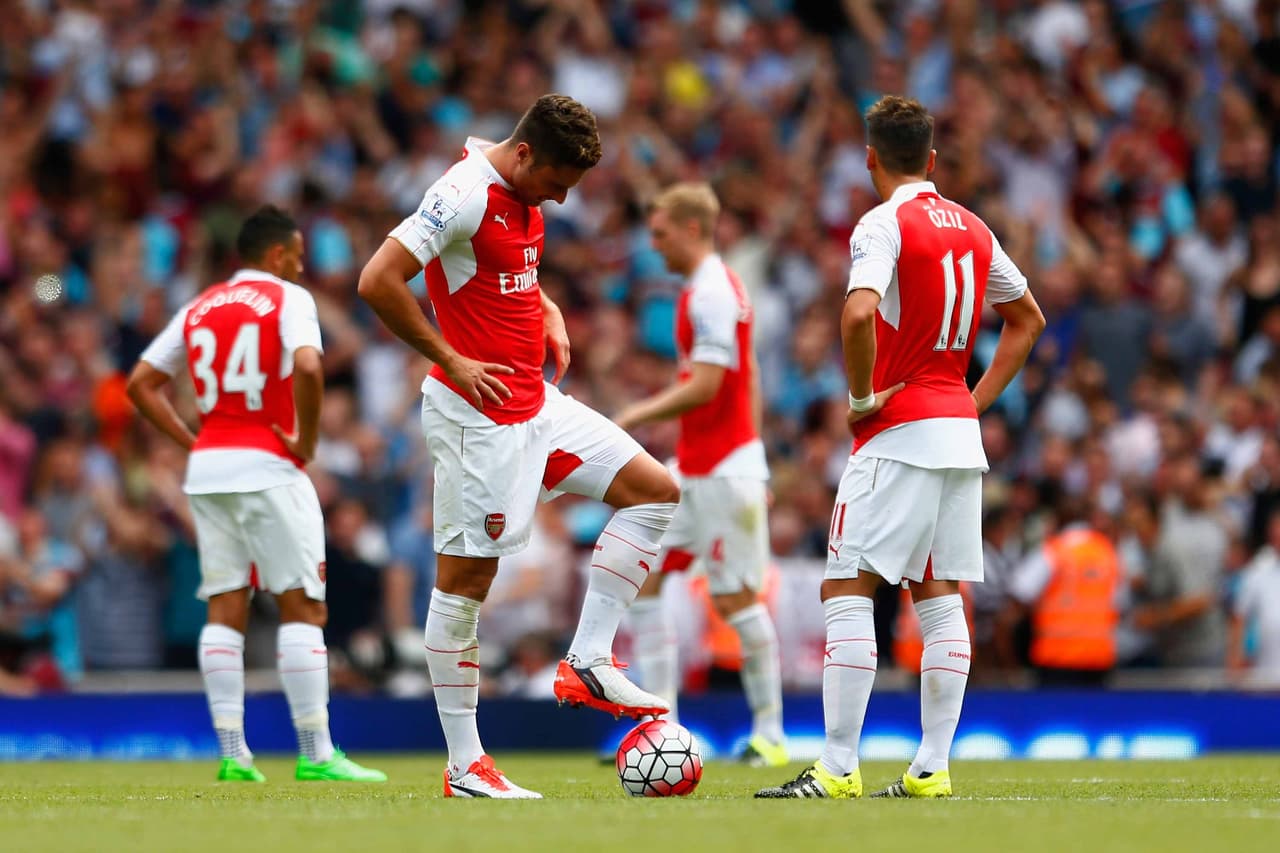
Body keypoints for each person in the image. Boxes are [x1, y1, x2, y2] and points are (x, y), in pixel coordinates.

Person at [357, 94, 680, 799]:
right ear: (527, 153)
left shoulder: (521, 193)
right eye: (558, 182)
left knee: (655, 490)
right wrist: (452, 357)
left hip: (537, 404)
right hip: (478, 416)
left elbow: (510, 273)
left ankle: (589, 657)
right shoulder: (461, 193)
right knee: (465, 584)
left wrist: (549, 309)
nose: (562, 199)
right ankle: (465, 764)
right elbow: (376, 280)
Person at [757, 96, 1044, 800]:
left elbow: (858, 311)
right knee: (938, 593)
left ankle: (837, 765)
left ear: (870, 159)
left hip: (898, 429)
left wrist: (859, 398)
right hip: (957, 429)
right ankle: (932, 767)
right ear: (935, 160)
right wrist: (972, 402)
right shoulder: (975, 228)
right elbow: (1027, 319)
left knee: (847, 587)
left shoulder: (882, 223)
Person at [127, 206, 386, 784]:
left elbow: (141, 383)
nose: (300, 266)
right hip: (269, 464)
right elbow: (311, 369)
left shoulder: (199, 306)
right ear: (276, 254)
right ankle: (317, 753)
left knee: (225, 607)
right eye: (296, 256)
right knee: (303, 606)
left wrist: (192, 437)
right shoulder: (290, 300)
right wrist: (306, 438)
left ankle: (232, 754)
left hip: (209, 468)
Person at [613, 182, 786, 767]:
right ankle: (660, 728)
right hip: (696, 466)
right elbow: (749, 377)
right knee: (645, 577)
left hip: (723, 472)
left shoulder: (713, 291)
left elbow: (709, 385)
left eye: (660, 234)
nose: (653, 245)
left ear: (691, 228)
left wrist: (637, 412)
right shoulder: (705, 289)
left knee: (735, 596)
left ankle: (771, 734)